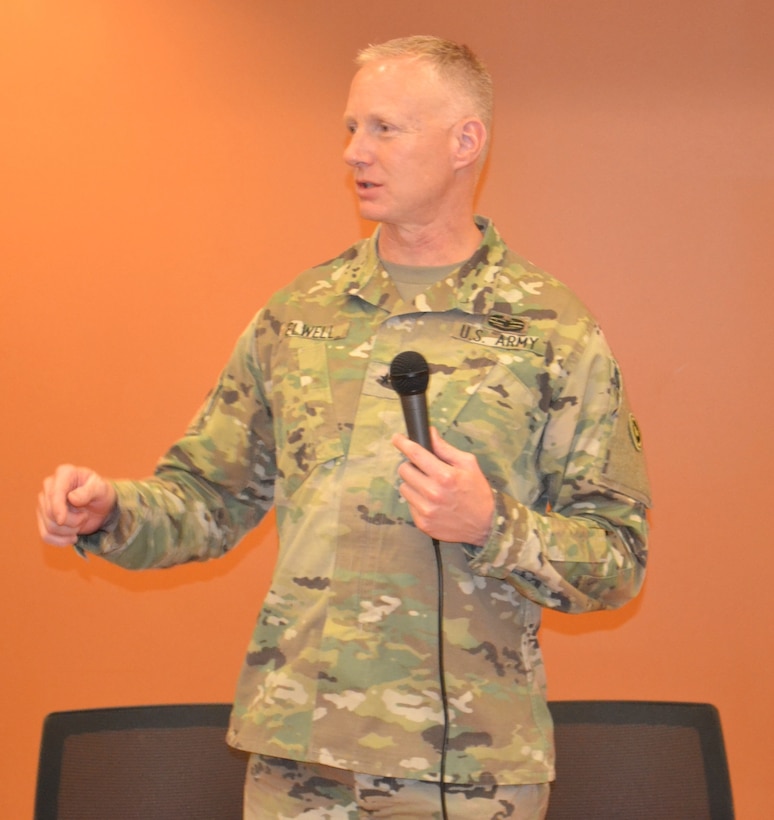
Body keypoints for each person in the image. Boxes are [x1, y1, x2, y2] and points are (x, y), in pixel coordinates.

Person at [37, 35, 651, 819]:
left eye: (385, 129)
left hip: (464, 768)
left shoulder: (551, 332)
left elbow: (618, 557)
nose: (356, 152)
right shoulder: (301, 314)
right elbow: (208, 498)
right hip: (299, 755)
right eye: (350, 128)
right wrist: (113, 511)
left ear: (466, 141)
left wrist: (492, 524)